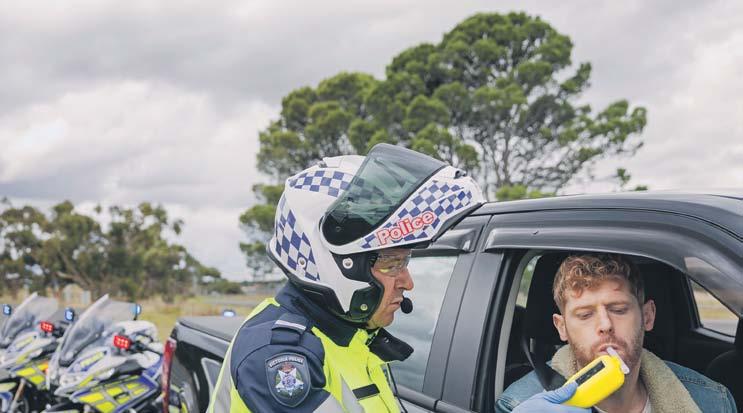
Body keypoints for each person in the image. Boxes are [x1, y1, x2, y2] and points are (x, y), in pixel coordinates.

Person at [208, 143, 484, 412]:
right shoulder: (278, 357)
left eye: (405, 261)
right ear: (337, 265)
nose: (407, 282)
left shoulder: (351, 336)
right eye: (391, 264)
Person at [498, 253, 737, 413]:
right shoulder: (519, 404)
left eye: (619, 309)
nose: (605, 324)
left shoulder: (711, 401)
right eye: (585, 315)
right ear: (562, 327)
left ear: (648, 316)